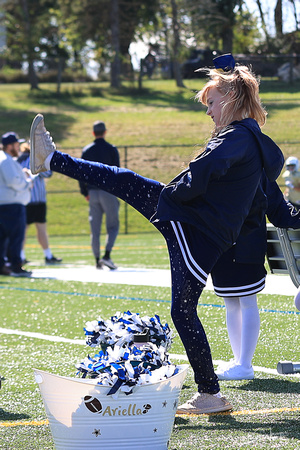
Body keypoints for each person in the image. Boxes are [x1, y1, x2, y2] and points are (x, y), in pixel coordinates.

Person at [29, 53, 284, 414]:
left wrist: (173, 196)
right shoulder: (255, 143)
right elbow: (275, 206)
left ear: (229, 99)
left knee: (181, 307)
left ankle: (51, 160)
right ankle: (210, 394)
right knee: (181, 306)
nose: (208, 112)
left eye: (211, 103)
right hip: (200, 228)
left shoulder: (236, 137)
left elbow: (206, 168)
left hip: (195, 228)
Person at [211, 176, 300, 381]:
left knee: (243, 302)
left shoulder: (234, 165)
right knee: (233, 302)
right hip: (235, 244)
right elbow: (280, 211)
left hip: (232, 243)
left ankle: (244, 363)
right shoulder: (255, 167)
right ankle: (240, 361)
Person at [79, 121, 120, 270]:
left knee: (95, 228)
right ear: (105, 132)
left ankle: (97, 260)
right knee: (113, 226)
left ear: (93, 133)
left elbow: (81, 173)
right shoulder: (111, 149)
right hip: (107, 191)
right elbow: (117, 172)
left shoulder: (87, 150)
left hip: (92, 192)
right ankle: (107, 256)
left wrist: (84, 191)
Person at [17, 142, 63, 265]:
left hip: (29, 201)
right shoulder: (29, 161)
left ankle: (23, 256)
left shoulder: (20, 161)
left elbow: (47, 173)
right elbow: (48, 173)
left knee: (26, 230)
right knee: (38, 229)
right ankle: (45, 255)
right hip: (33, 200)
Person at [0, 132, 32, 277]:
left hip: (6, 203)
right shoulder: (6, 160)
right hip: (11, 204)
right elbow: (13, 181)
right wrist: (27, 182)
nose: (18, 147)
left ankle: (4, 265)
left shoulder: (6, 159)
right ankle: (15, 266)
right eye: (16, 144)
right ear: (9, 146)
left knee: (4, 238)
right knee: (15, 237)